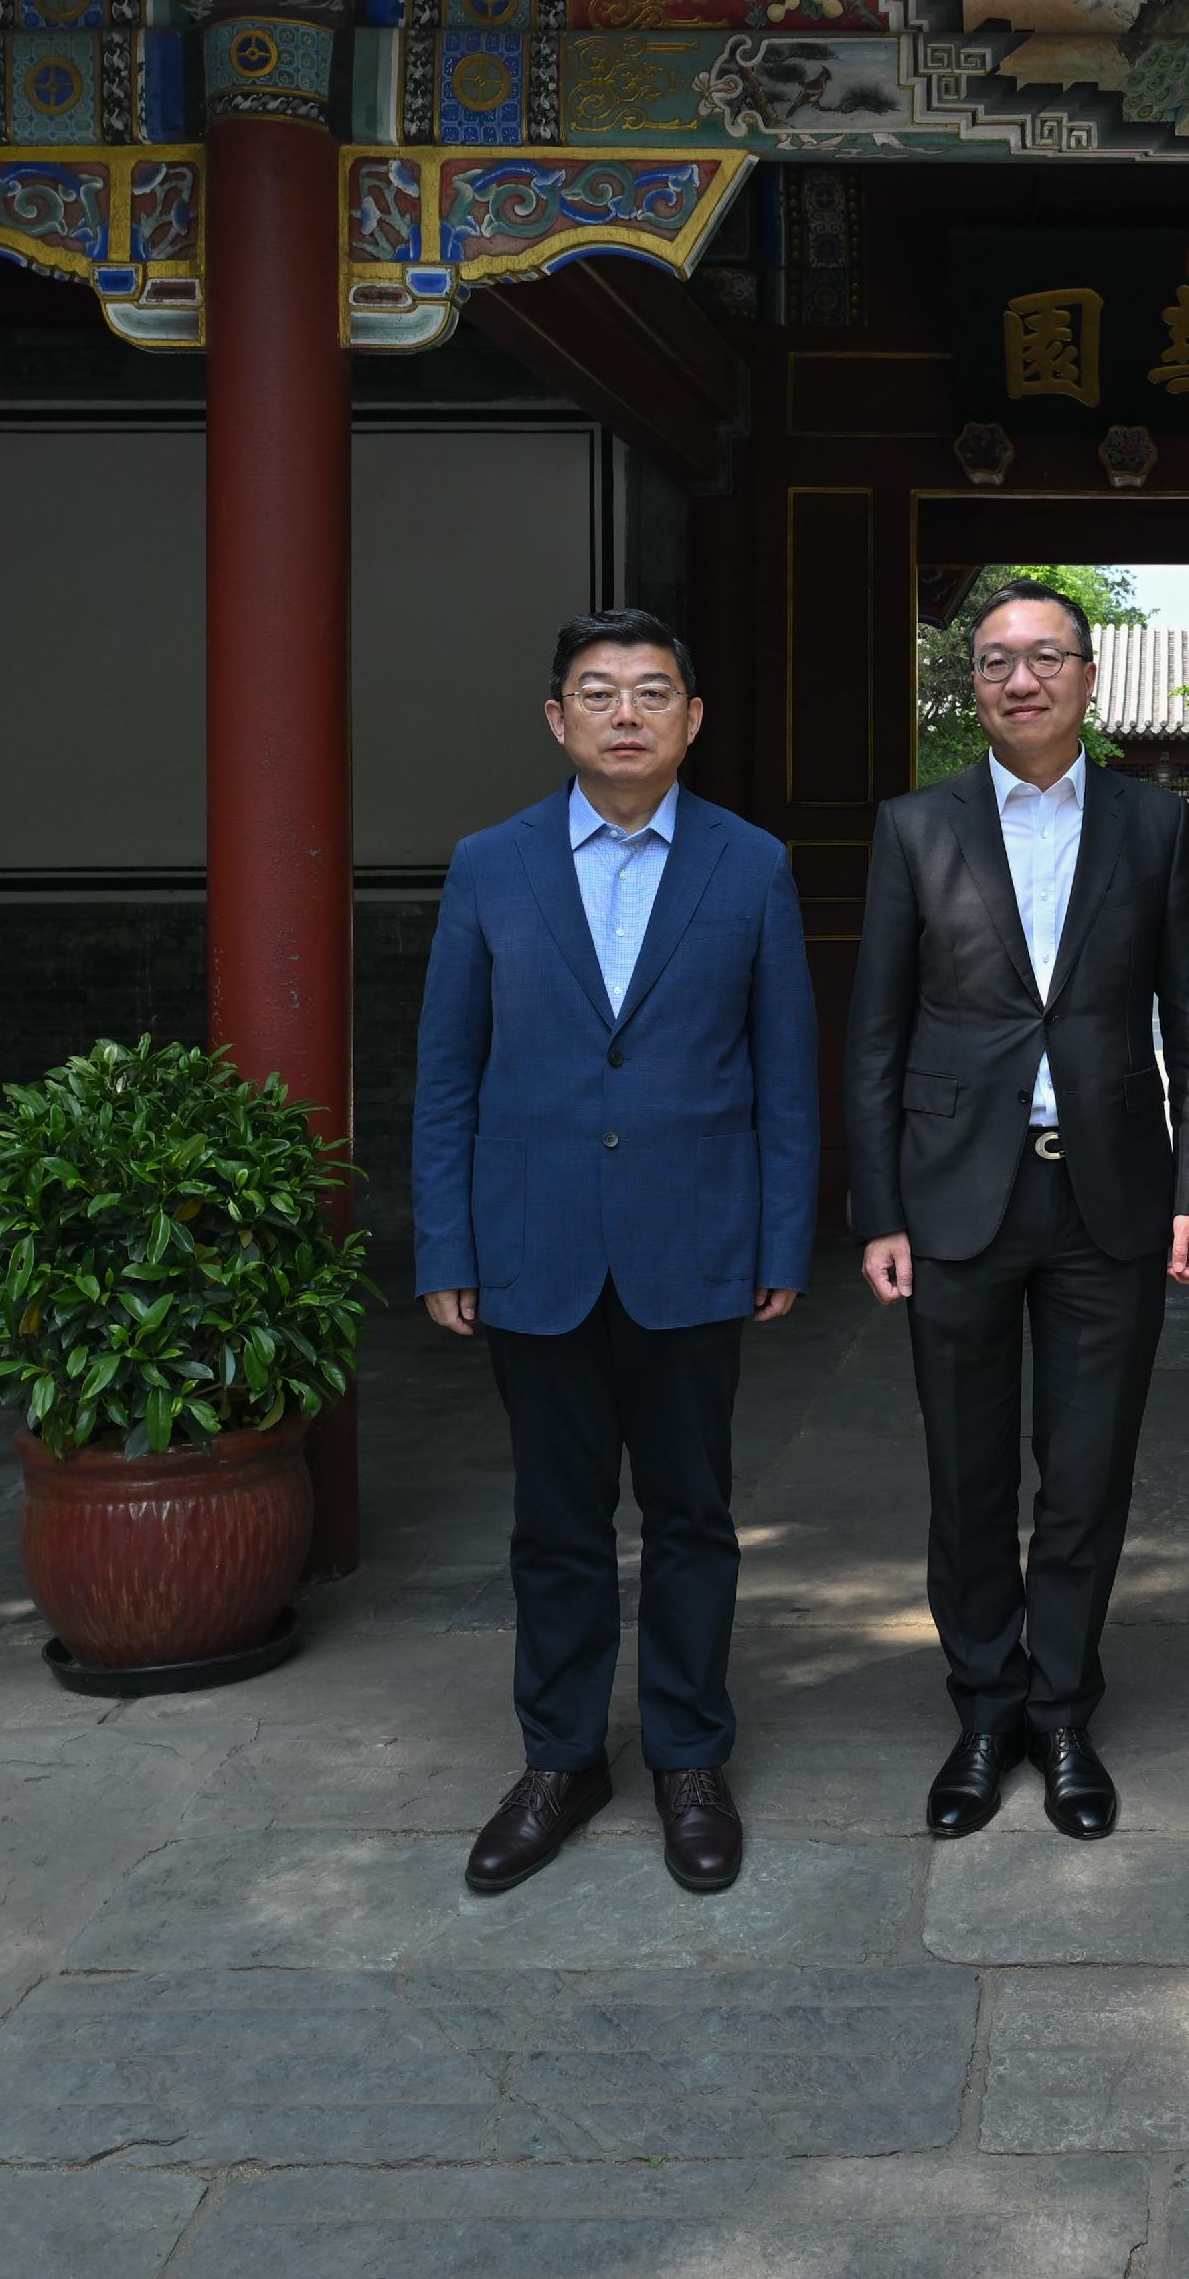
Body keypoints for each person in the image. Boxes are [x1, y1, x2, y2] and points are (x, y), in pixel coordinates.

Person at [412, 608, 820, 1902]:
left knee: (694, 1516)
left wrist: (781, 1231)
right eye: (599, 691)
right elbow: (446, 1074)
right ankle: (561, 1756)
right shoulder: (490, 865)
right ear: (557, 719)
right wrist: (446, 1239)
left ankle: (690, 1758)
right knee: (555, 1521)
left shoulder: (750, 865)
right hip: (533, 1244)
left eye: (654, 691)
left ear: (694, 719)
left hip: (692, 1243)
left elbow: (785, 1071)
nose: (627, 712)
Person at [848, 579, 1189, 1842]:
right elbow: (875, 1037)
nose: (1022, 679)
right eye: (997, 661)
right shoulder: (915, 826)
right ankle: (981, 1707)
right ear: (974, 684)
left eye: (1046, 658)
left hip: (1109, 1196)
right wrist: (879, 1209)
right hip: (957, 1195)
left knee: (1084, 1475)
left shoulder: (1151, 826)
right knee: (965, 1477)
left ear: (1089, 678)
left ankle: (1061, 1709)